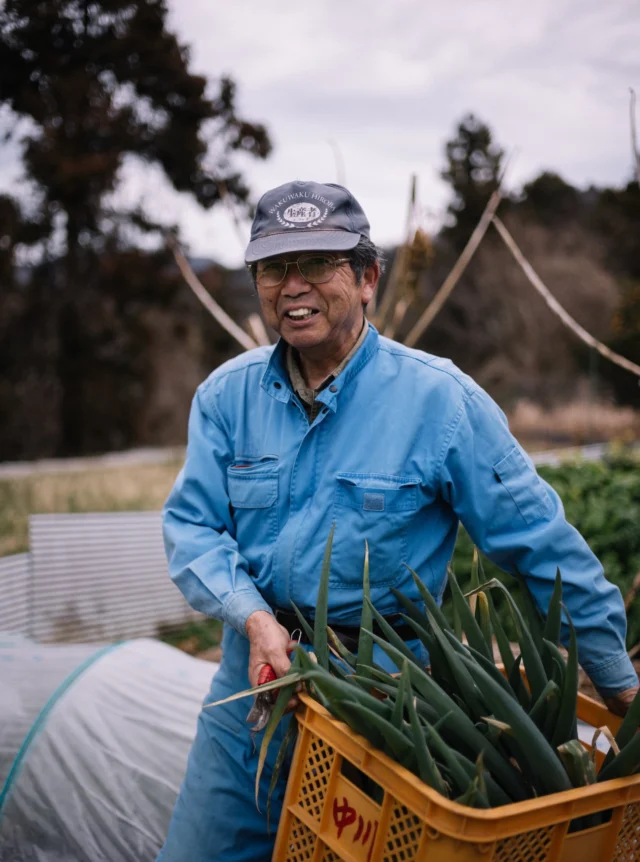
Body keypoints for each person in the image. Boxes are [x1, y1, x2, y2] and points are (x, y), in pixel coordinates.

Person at [157, 180, 638, 862]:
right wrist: (255, 618)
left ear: (367, 277)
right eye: (273, 268)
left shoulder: (439, 401)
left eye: (317, 264)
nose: (292, 286)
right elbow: (193, 528)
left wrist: (618, 684)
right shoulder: (227, 398)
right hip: (254, 686)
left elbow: (541, 544)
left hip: (382, 703)